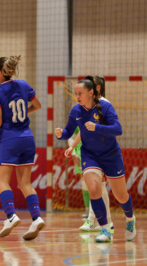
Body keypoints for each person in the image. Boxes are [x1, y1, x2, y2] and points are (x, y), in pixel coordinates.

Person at [55, 76, 136, 243]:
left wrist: (97, 127)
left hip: (110, 155)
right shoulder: (76, 110)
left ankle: (130, 220)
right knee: (93, 188)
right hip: (90, 155)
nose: (77, 96)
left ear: (91, 92)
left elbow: (118, 129)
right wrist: (61, 134)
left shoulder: (105, 106)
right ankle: (105, 228)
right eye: (76, 93)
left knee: (121, 196)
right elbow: (69, 131)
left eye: (80, 93)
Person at [0, 55, 45, 241]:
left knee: (2, 181)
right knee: (25, 183)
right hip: (27, 138)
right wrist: (24, 113)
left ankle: (11, 216)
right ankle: (36, 218)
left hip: (9, 139)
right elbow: (37, 105)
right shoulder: (24, 85)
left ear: (0, 72)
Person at [68, 76, 114, 233]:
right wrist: (73, 147)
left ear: (96, 90)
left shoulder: (105, 105)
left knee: (100, 188)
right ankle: (103, 221)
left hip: (104, 152)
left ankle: (99, 221)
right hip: (90, 152)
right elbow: (81, 129)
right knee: (96, 186)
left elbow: (113, 129)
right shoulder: (86, 108)